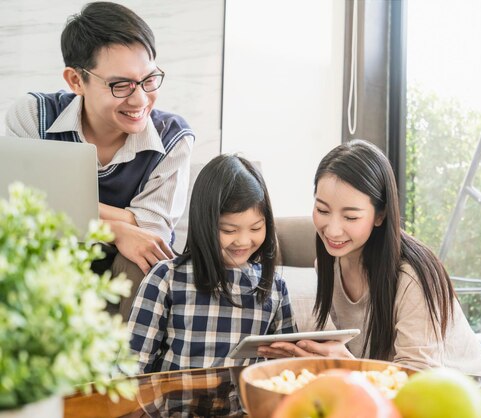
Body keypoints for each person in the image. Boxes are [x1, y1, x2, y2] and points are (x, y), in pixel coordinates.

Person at [4, 2, 194, 319]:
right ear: (76, 81)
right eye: (120, 85)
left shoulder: (173, 137)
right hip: (45, 261)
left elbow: (149, 230)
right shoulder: (33, 116)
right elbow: (18, 212)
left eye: (149, 80)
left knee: (144, 253)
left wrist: (56, 204)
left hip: (122, 272)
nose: (140, 100)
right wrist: (117, 228)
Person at [258, 139, 481, 376]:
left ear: (380, 215)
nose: (332, 230)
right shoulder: (329, 265)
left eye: (350, 217)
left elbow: (418, 378)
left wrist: (350, 367)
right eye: (322, 210)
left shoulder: (412, 276)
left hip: (464, 396)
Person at [128, 154, 297, 373]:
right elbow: (132, 367)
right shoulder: (166, 278)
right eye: (229, 230)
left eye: (256, 228)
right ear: (204, 224)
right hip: (175, 406)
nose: (244, 241)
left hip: (245, 406)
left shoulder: (274, 287)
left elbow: (289, 369)